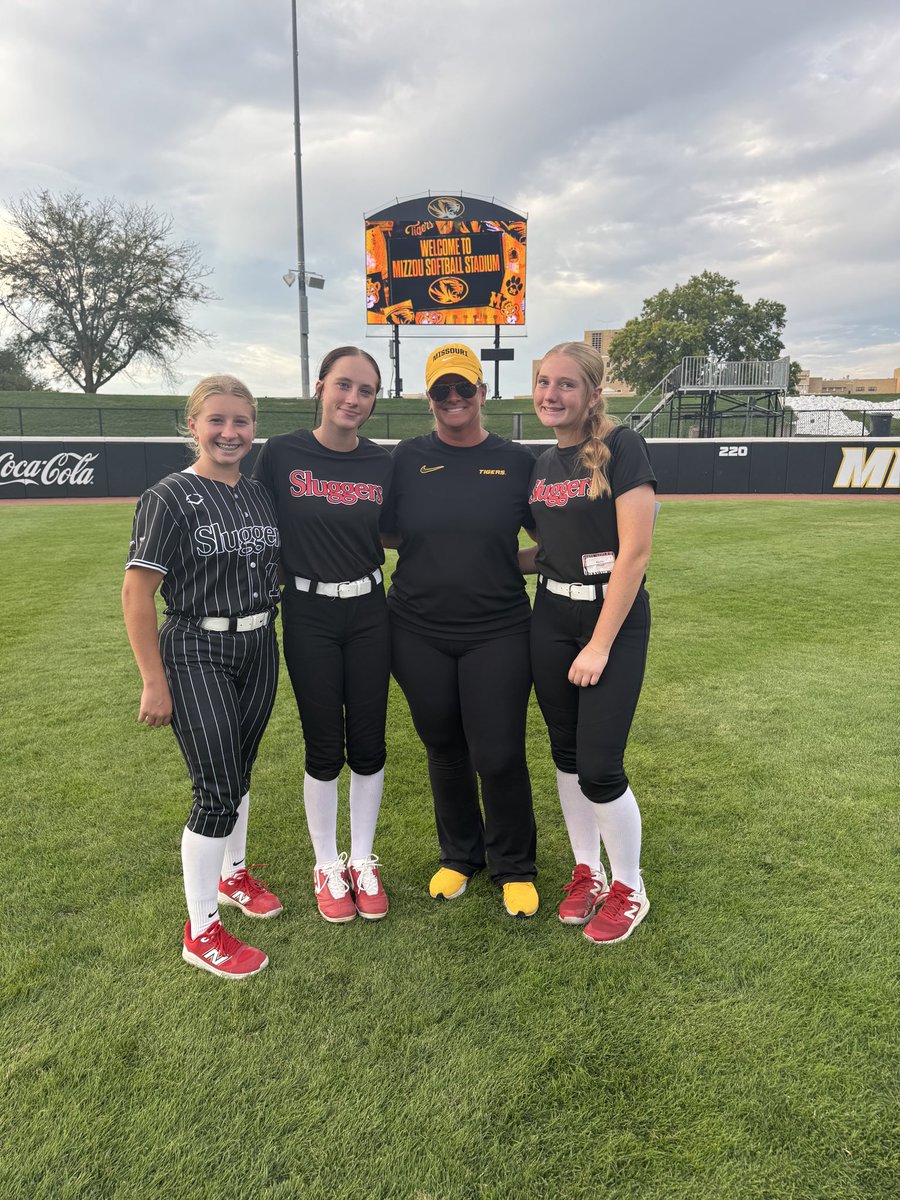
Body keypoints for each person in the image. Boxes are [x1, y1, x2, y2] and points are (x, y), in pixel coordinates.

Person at [122, 374, 282, 979]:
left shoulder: (258, 494)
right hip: (196, 646)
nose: (229, 432)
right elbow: (137, 593)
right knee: (215, 787)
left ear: (254, 426)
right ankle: (202, 930)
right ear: (193, 426)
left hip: (259, 641)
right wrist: (153, 680)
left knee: (239, 770)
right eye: (216, 420)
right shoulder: (169, 496)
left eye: (241, 420)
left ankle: (232, 875)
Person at [381, 343, 538, 918]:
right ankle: (459, 855)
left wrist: (501, 562)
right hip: (416, 628)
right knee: (443, 747)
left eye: (463, 387)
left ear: (482, 393)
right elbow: (385, 531)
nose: (453, 398)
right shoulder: (406, 458)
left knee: (497, 752)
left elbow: (551, 538)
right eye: (441, 390)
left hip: (498, 629)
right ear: (428, 398)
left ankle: (514, 865)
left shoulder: (517, 461)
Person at [253, 348, 393, 923]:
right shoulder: (282, 453)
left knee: (369, 741)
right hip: (308, 610)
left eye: (366, 390)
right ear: (320, 387)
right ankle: (326, 863)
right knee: (323, 744)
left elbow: (405, 531)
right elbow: (253, 523)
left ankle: (361, 859)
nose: (352, 399)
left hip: (370, 611)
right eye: (343, 385)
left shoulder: (382, 462)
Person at [523, 342, 657, 944]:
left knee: (600, 765)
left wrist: (600, 645)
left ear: (594, 393)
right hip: (550, 614)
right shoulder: (541, 464)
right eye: (543, 382)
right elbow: (549, 550)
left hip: (610, 620)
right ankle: (588, 870)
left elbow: (634, 553)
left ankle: (629, 886)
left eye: (566, 384)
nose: (550, 394)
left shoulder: (623, 446)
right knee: (567, 755)